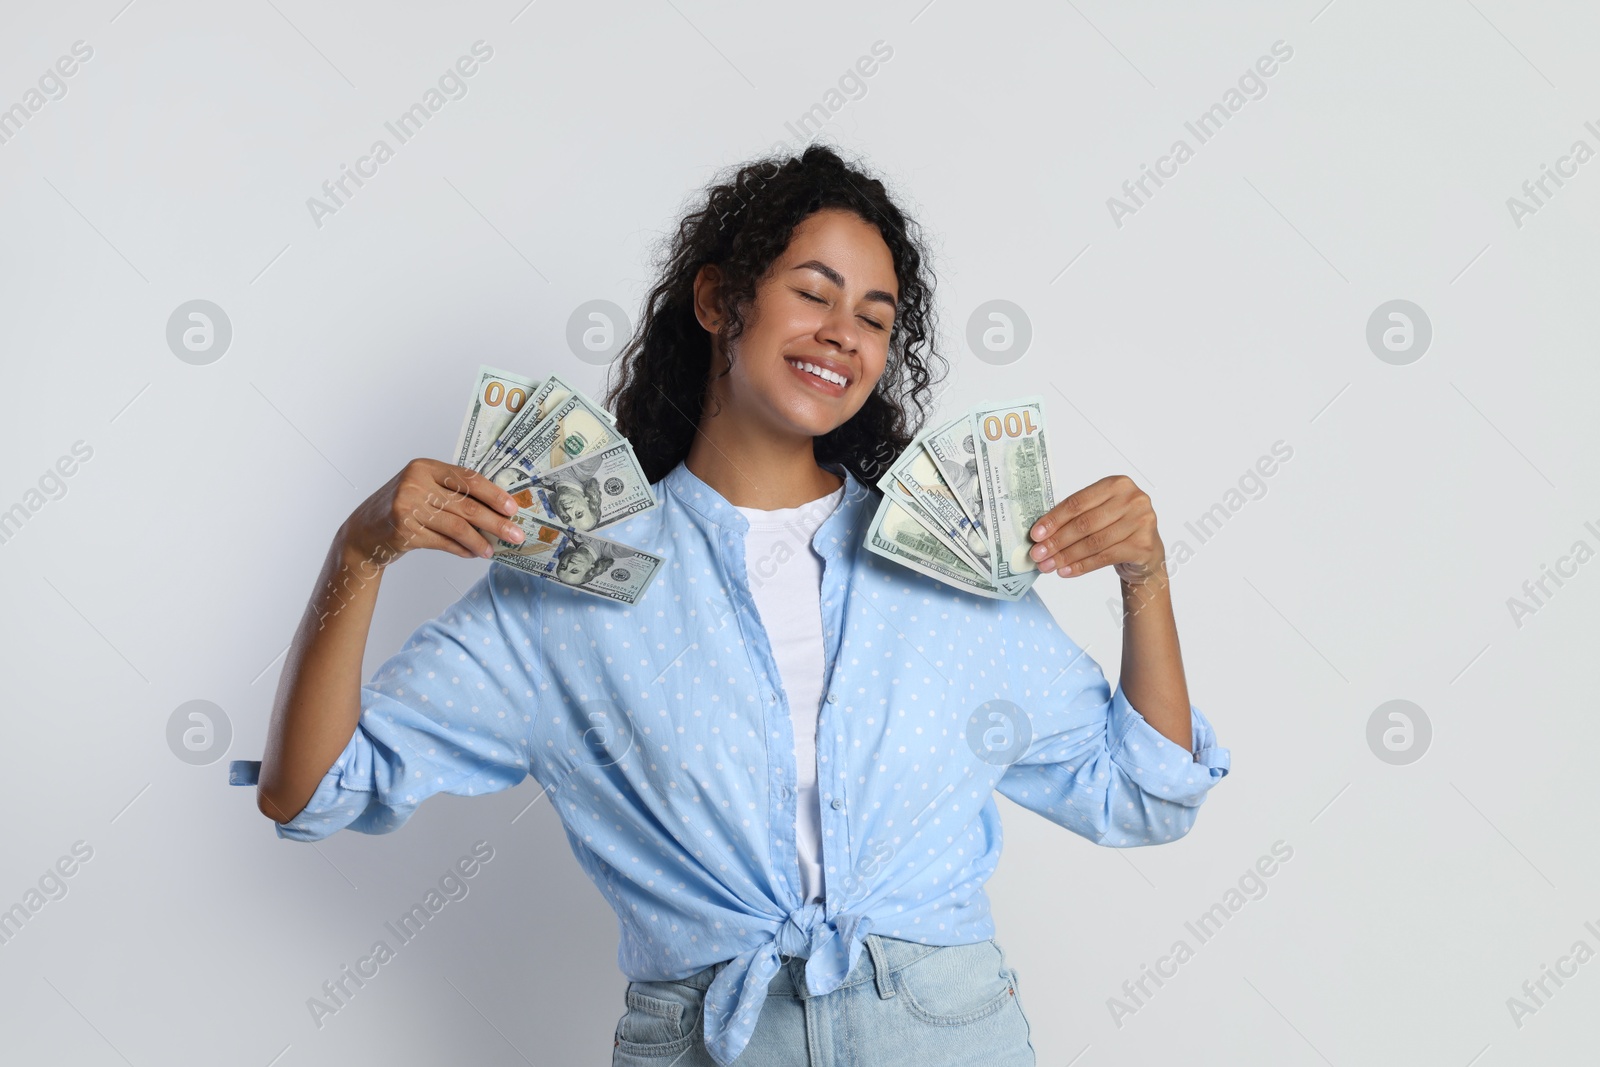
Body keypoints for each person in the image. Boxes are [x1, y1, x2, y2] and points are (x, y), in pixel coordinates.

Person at [254, 145, 1230, 1066]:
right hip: (709, 1034)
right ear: (719, 299)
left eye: (876, 317)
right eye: (812, 292)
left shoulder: (942, 561)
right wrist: (361, 551)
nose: (844, 332)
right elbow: (307, 789)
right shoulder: (574, 577)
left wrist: (1144, 579)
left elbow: (1142, 790)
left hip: (941, 1027)